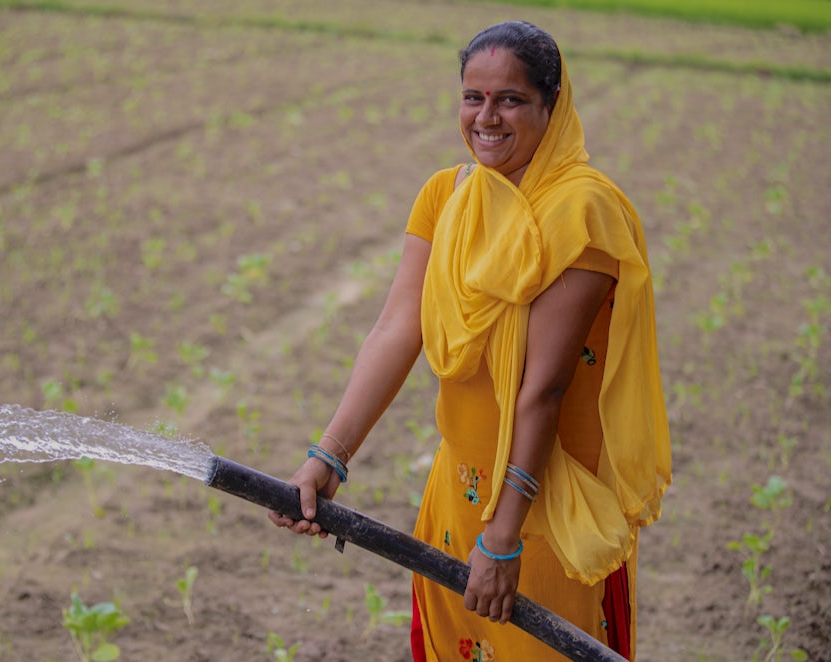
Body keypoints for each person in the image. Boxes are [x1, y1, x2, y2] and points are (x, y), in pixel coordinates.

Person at [268, 20, 671, 661]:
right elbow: (397, 330)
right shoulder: (446, 195)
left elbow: (543, 388)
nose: (487, 117)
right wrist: (329, 457)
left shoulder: (581, 212)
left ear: (552, 104)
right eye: (472, 97)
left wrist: (504, 538)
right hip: (459, 491)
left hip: (544, 508)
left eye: (510, 99)